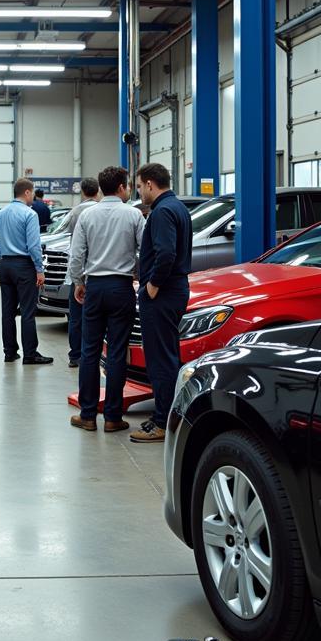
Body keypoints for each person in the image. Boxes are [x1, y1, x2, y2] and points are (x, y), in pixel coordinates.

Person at [66, 167, 144, 433]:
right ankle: (112, 416)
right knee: (117, 351)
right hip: (121, 287)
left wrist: (78, 282)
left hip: (94, 287)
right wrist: (137, 275)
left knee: (90, 350)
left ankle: (88, 415)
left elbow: (76, 254)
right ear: (122, 187)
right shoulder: (134, 214)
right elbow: (145, 251)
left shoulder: (88, 215)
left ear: (100, 188)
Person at [131, 163, 193, 443]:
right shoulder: (177, 207)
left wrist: (152, 286)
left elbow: (166, 253)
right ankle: (167, 415)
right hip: (174, 290)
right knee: (167, 355)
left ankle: (162, 422)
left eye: (140, 185)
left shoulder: (163, 212)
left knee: (161, 359)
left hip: (164, 292)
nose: (139, 191)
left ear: (151, 184)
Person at [0, 179, 53, 365]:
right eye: (32, 192)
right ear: (27, 192)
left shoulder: (1, 214)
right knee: (27, 311)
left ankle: (9, 352)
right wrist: (39, 269)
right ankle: (30, 354)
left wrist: (5, 257)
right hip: (24, 266)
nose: (33, 196)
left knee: (7, 311)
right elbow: (34, 246)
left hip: (6, 265)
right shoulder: (30, 214)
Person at [62, 178, 101, 367]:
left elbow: (73, 241)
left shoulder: (76, 211)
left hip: (78, 273)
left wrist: (76, 277)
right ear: (97, 191)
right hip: (96, 272)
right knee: (95, 318)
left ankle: (74, 355)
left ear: (83, 192)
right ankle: (91, 354)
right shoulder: (100, 210)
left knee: (75, 317)